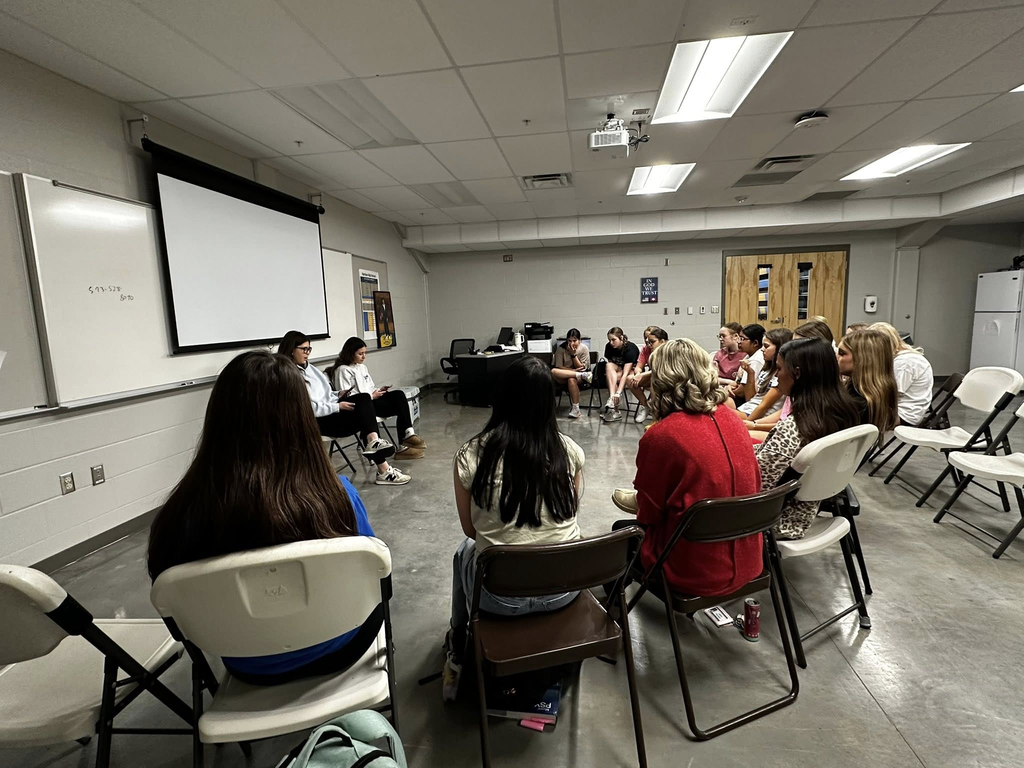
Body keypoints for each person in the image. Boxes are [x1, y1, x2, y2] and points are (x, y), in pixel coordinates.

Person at [147, 351, 386, 683]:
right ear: (301, 418)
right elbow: (375, 577)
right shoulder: (338, 495)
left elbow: (176, 622)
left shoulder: (180, 515)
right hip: (341, 646)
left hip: (247, 664)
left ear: (218, 417)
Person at [442, 356, 584, 700]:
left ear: (501, 397)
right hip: (563, 590)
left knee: (464, 552)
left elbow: (469, 530)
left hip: (498, 597)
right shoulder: (571, 452)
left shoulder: (471, 454)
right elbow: (571, 512)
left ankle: (458, 638)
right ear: (549, 401)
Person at [613, 339, 764, 595]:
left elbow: (649, 515)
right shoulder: (732, 419)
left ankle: (613, 619)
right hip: (750, 560)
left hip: (692, 570)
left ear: (660, 381)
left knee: (619, 533)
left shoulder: (662, 435)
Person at [755, 339, 862, 539]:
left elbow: (760, 485)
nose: (777, 376)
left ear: (797, 373)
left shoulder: (795, 429)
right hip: (807, 510)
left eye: (779, 369)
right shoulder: (842, 412)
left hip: (776, 520)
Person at [278, 330, 409, 486]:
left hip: (330, 411)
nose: (307, 353)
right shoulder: (287, 375)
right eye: (304, 349)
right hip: (315, 421)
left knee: (364, 401)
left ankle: (376, 448)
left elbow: (324, 395)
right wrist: (336, 406)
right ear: (291, 350)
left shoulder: (309, 368)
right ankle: (382, 465)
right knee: (364, 410)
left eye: (309, 349)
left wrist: (337, 394)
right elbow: (306, 408)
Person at [325, 337, 426, 459]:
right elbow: (347, 396)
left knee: (399, 395)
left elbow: (369, 386)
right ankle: (401, 446)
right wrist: (372, 396)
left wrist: (378, 390)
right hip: (360, 407)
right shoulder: (342, 370)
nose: (364, 357)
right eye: (360, 354)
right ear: (350, 353)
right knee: (393, 404)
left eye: (364, 353)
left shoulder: (362, 367)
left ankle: (408, 435)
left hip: (371, 399)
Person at [837, 329, 900, 436]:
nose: (836, 357)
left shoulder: (859, 403)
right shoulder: (878, 393)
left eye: (842, 353)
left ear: (862, 360)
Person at [871, 322, 934, 426]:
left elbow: (890, 394)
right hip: (902, 410)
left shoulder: (904, 362)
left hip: (904, 415)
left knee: (853, 414)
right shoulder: (900, 358)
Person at [734, 327, 793, 421]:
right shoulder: (767, 369)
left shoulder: (781, 375)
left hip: (758, 416)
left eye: (766, 346)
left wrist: (747, 424)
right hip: (747, 409)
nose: (761, 349)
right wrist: (750, 374)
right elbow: (750, 398)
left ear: (779, 348)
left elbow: (764, 406)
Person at [626, 327, 669, 423]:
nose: (648, 343)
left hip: (666, 379)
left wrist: (642, 375)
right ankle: (646, 406)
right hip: (652, 376)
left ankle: (656, 413)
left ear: (662, 341)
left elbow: (658, 369)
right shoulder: (646, 349)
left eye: (652, 341)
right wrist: (637, 374)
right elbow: (639, 366)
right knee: (630, 379)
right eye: (646, 339)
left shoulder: (669, 350)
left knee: (655, 380)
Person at [550, 327, 593, 419]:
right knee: (553, 371)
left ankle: (575, 409)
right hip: (566, 375)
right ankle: (580, 375)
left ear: (579, 340)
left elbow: (581, 367)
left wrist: (573, 355)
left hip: (578, 378)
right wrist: (574, 371)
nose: (572, 343)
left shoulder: (584, 349)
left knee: (571, 379)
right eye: (569, 341)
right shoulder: (561, 349)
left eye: (574, 340)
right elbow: (559, 367)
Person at [601, 326, 641, 422]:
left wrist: (618, 393)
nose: (611, 343)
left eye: (614, 340)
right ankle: (612, 400)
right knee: (608, 367)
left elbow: (625, 373)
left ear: (621, 338)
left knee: (612, 379)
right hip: (618, 370)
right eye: (609, 340)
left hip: (631, 372)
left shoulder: (630, 349)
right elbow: (611, 366)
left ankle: (615, 411)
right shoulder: (609, 347)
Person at [728, 324, 765, 404]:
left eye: (742, 339)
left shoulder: (756, 360)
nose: (738, 342)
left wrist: (726, 392)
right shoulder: (749, 356)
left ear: (755, 343)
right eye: (739, 338)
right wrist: (729, 387)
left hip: (746, 401)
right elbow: (738, 382)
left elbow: (742, 392)